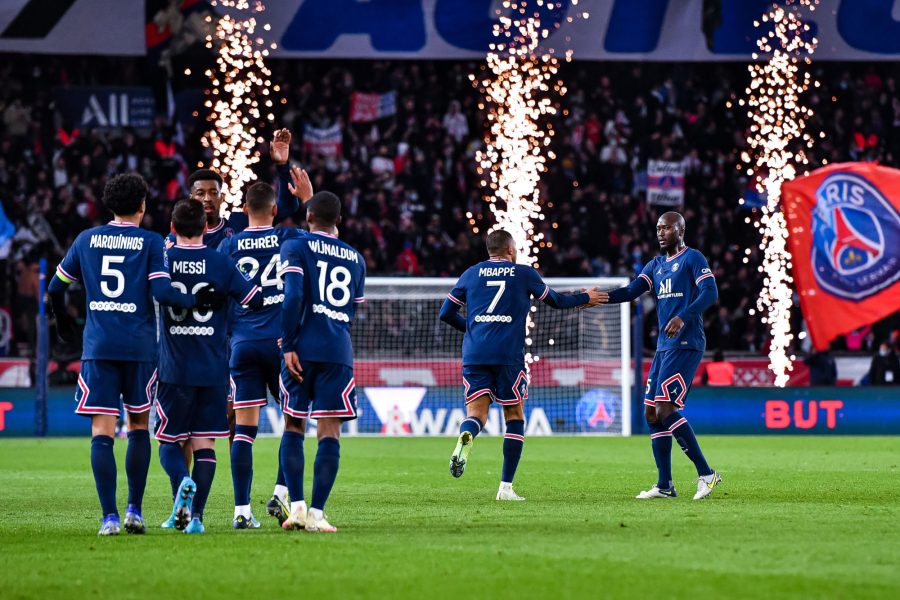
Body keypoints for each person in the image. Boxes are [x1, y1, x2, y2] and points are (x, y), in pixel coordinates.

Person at [46, 174, 225, 535]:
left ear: (109, 205)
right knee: (140, 426)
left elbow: (55, 286)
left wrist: (64, 321)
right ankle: (135, 511)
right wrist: (194, 300)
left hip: (99, 347)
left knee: (102, 432)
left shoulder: (86, 240)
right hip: (141, 349)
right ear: (143, 205)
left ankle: (109, 517)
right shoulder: (151, 242)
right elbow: (161, 290)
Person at [438, 230, 603, 501]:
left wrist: (474, 328)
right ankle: (505, 487)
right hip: (508, 356)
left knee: (477, 415)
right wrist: (585, 296)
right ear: (511, 250)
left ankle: (466, 434)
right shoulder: (524, 274)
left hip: (475, 353)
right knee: (514, 416)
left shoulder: (470, 273)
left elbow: (446, 313)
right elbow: (557, 301)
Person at [155, 199, 263, 534]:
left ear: (172, 228)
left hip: (174, 368)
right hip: (214, 369)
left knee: (169, 442)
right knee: (206, 445)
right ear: (205, 227)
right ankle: (196, 518)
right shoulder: (220, 262)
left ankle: (182, 482)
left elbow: (152, 292)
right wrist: (226, 294)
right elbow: (255, 299)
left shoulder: (163, 259)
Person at [600, 211, 721, 500]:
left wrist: (683, 316)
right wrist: (597, 297)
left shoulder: (693, 258)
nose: (660, 232)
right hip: (664, 347)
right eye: (657, 228)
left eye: (666, 228)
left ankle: (707, 474)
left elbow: (710, 292)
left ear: (680, 230)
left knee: (666, 408)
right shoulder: (655, 265)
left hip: (687, 342)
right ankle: (665, 485)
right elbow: (630, 291)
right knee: (652, 414)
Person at [217, 175, 313, 529]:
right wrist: (306, 202)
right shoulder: (288, 236)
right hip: (281, 345)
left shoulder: (228, 246)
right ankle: (280, 492)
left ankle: (241, 511)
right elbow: (320, 238)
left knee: (243, 429)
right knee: (293, 422)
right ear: (275, 209)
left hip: (242, 345)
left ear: (244, 210)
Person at [278, 191, 366, 533]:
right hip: (337, 349)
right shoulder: (356, 258)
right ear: (339, 221)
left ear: (308, 217)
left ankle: (296, 508)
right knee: (330, 432)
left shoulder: (296, 246)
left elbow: (294, 296)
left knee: (294, 425)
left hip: (301, 347)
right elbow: (353, 308)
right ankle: (317, 513)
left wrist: (287, 343)